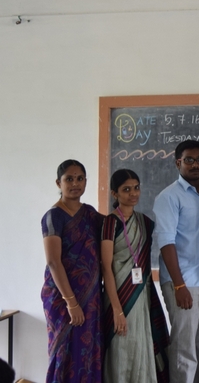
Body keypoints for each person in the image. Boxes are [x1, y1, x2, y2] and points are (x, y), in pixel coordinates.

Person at [153, 140, 199, 383]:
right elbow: (166, 243)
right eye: (189, 160)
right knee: (184, 350)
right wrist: (179, 285)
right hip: (182, 283)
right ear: (178, 162)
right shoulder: (169, 197)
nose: (195, 164)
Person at [101, 169, 170, 382]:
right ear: (115, 194)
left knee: (141, 343)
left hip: (141, 295)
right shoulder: (110, 223)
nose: (133, 193)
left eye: (136, 188)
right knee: (120, 347)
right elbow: (106, 267)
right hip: (118, 296)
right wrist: (117, 310)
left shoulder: (145, 222)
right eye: (126, 189)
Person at [41, 159, 103, 383]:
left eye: (80, 178)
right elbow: (53, 262)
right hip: (63, 298)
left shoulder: (90, 214)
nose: (75, 183)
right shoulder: (53, 216)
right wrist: (71, 303)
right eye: (69, 179)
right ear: (59, 183)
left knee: (88, 352)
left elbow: (112, 229)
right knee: (65, 352)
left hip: (91, 298)